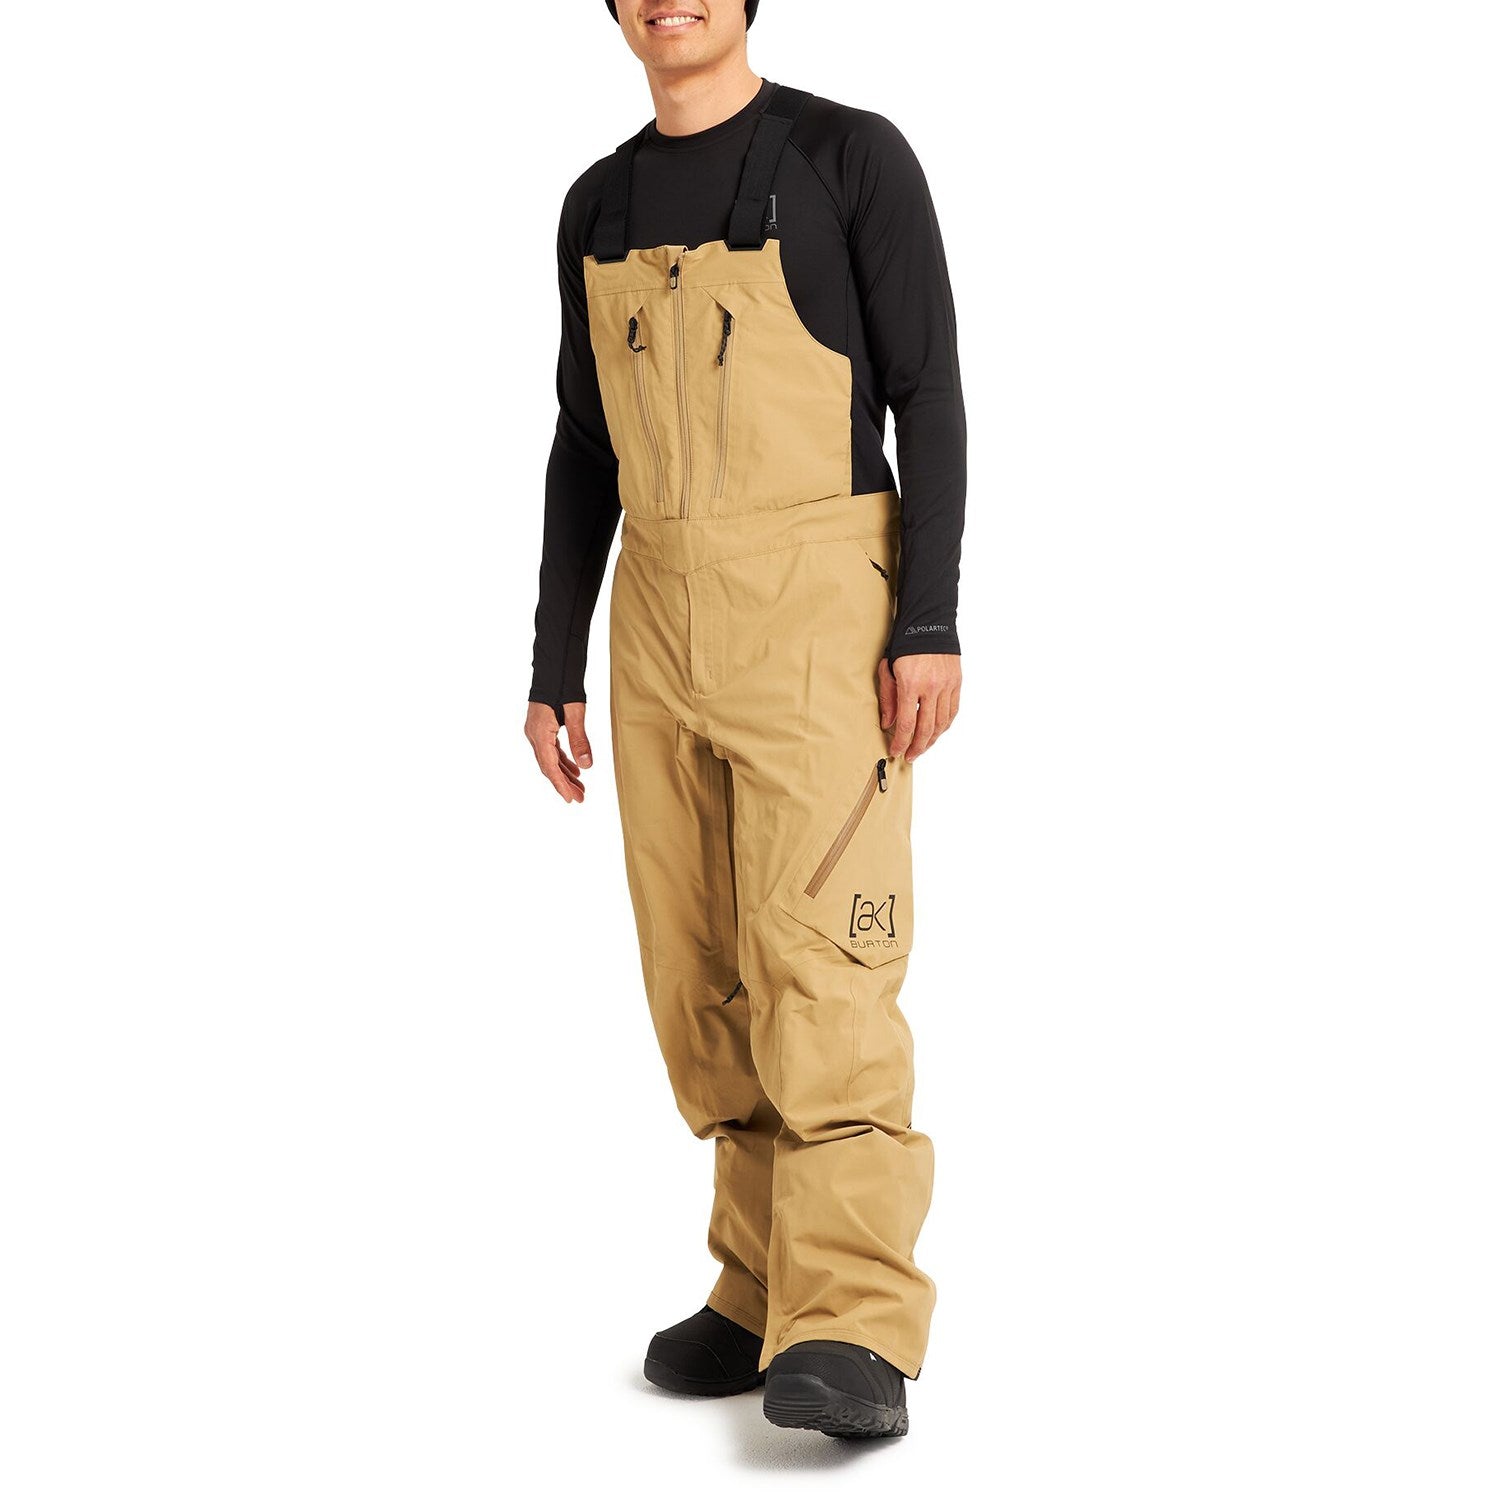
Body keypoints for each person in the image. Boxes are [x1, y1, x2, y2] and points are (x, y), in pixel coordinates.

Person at [524, 0, 965, 1440]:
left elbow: (929, 397)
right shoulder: (595, 206)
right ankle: (762, 1278)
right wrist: (554, 659)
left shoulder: (848, 159)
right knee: (700, 968)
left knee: (821, 957)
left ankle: (853, 1316)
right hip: (656, 615)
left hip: (817, 610)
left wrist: (928, 621)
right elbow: (583, 442)